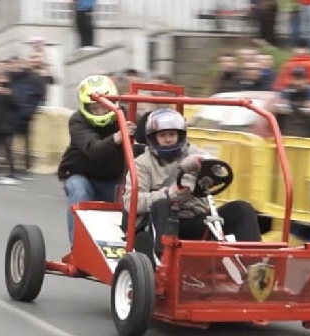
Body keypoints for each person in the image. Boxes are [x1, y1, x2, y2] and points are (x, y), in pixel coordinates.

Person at [122, 108, 262, 260]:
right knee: (162, 205)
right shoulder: (141, 164)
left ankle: (254, 265)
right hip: (159, 223)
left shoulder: (193, 152)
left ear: (180, 135)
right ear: (153, 138)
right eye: (163, 135)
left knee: (242, 209)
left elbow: (219, 170)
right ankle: (165, 263)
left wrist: (204, 168)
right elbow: (131, 202)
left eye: (172, 134)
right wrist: (168, 194)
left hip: (195, 219)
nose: (168, 139)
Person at [57, 75, 137, 246]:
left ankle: (125, 248)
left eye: (103, 105)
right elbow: (93, 149)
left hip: (113, 178)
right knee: (80, 192)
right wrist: (118, 137)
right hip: (80, 173)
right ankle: (77, 247)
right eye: (94, 107)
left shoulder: (125, 115)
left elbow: (144, 135)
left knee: (132, 201)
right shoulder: (77, 120)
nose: (100, 111)